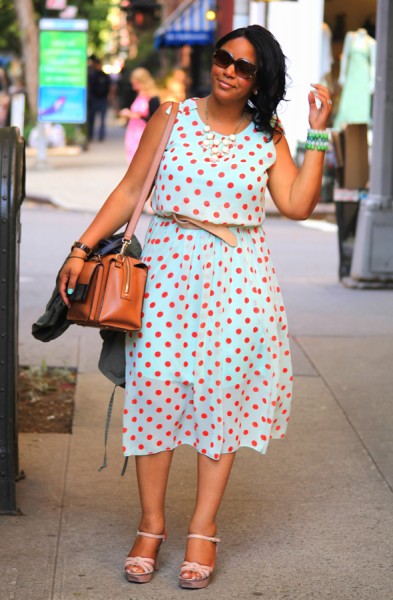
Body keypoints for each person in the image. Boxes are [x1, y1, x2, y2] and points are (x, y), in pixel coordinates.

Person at [59, 24, 332, 590]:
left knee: (220, 405)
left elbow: (299, 204)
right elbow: (132, 190)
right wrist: (83, 248)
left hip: (239, 285)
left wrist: (318, 136)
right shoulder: (171, 117)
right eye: (224, 57)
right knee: (156, 396)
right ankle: (151, 526)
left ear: (261, 80)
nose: (229, 69)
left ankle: (203, 528)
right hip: (164, 278)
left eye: (245, 66)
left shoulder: (268, 134)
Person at [119, 67, 160, 163]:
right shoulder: (136, 94)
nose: (133, 85)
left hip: (144, 132)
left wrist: (137, 116)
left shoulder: (152, 98)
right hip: (133, 131)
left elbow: (155, 118)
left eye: (135, 83)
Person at [88, 57, 112, 141]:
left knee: (102, 120)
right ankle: (90, 136)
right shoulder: (92, 75)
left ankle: (101, 136)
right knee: (92, 120)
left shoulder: (104, 76)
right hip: (94, 99)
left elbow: (110, 87)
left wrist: (109, 97)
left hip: (102, 99)